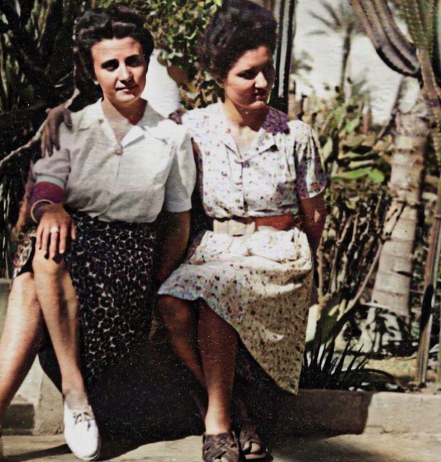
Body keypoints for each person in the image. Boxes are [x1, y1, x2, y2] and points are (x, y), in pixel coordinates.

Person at [0, 6, 195, 462]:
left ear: (147, 62)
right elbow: (45, 188)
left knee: (36, 271)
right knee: (42, 258)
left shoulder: (172, 138)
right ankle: (48, 402)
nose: (124, 75)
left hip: (127, 267)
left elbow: (177, 221)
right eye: (110, 65)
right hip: (67, 251)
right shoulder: (68, 126)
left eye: (134, 61)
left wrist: (160, 286)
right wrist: (52, 208)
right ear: (94, 72)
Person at [156, 2, 328, 461]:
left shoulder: (295, 135)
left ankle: (216, 425)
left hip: (278, 253)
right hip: (215, 247)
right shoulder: (192, 128)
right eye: (247, 74)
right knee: (171, 303)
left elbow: (314, 216)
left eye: (266, 70)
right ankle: (237, 412)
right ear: (219, 76)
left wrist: (306, 271)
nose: (263, 83)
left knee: (218, 294)